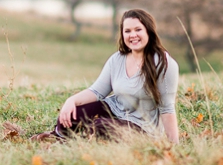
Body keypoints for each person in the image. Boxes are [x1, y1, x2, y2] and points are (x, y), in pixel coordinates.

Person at [32, 8, 180, 144]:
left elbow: (167, 109)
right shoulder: (117, 59)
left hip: (143, 127)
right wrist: (72, 101)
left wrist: (173, 145)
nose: (133, 35)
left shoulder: (164, 64)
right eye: (127, 31)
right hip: (114, 111)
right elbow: (97, 91)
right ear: (122, 34)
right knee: (74, 114)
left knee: (100, 126)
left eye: (138, 29)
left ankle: (82, 141)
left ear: (149, 32)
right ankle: (58, 137)